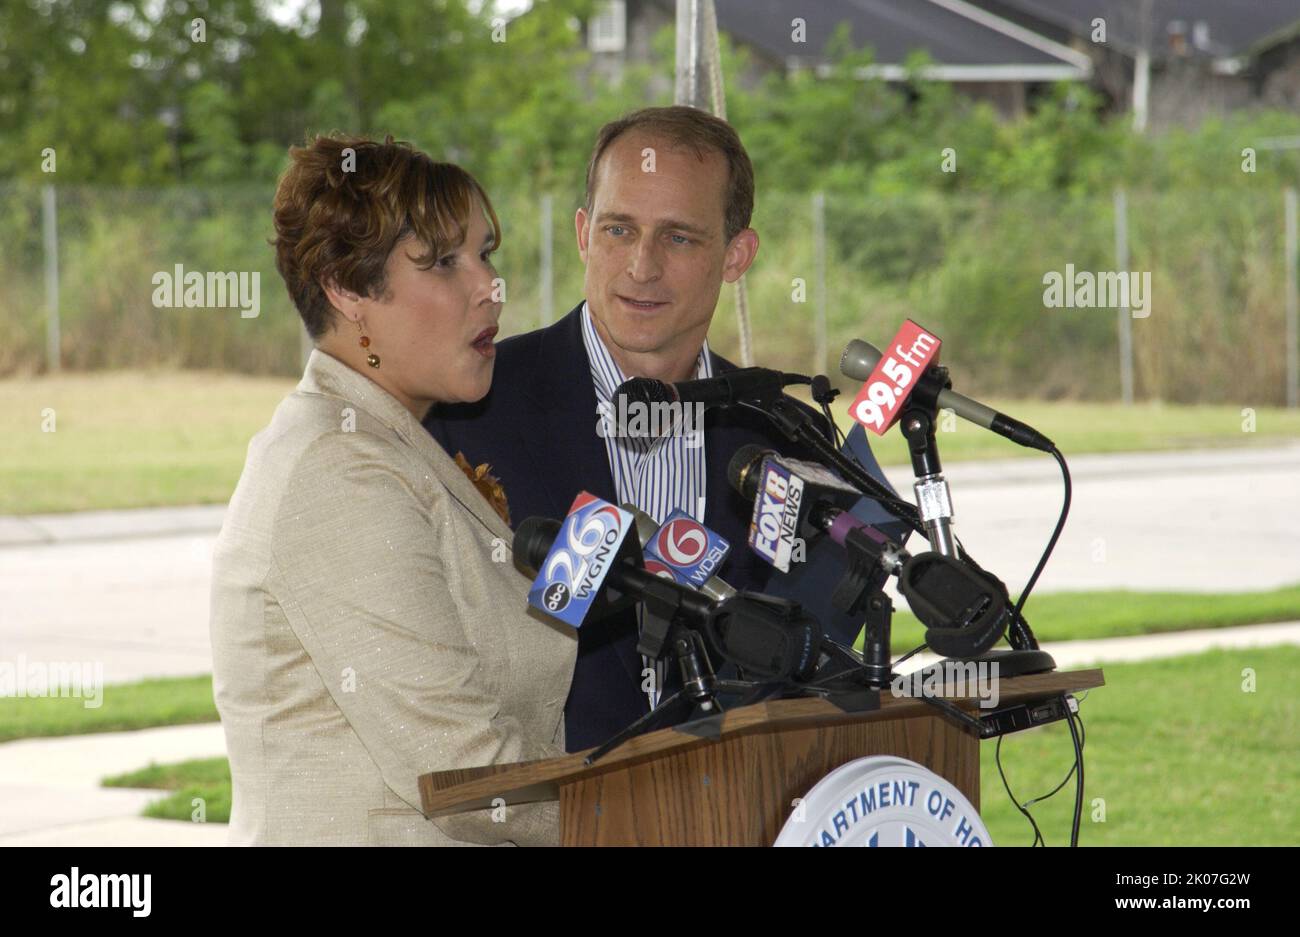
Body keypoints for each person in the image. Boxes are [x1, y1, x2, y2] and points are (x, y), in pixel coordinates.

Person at [424, 107, 902, 754]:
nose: (642, 266)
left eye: (679, 238)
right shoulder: (469, 408)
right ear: (584, 233)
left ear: (737, 255)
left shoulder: (785, 433)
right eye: (620, 229)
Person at [209, 133, 575, 845]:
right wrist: (662, 811)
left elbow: (501, 631)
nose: (488, 286)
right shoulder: (338, 468)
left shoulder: (392, 441)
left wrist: (617, 563)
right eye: (443, 262)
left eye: (485, 254)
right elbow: (465, 778)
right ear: (348, 291)